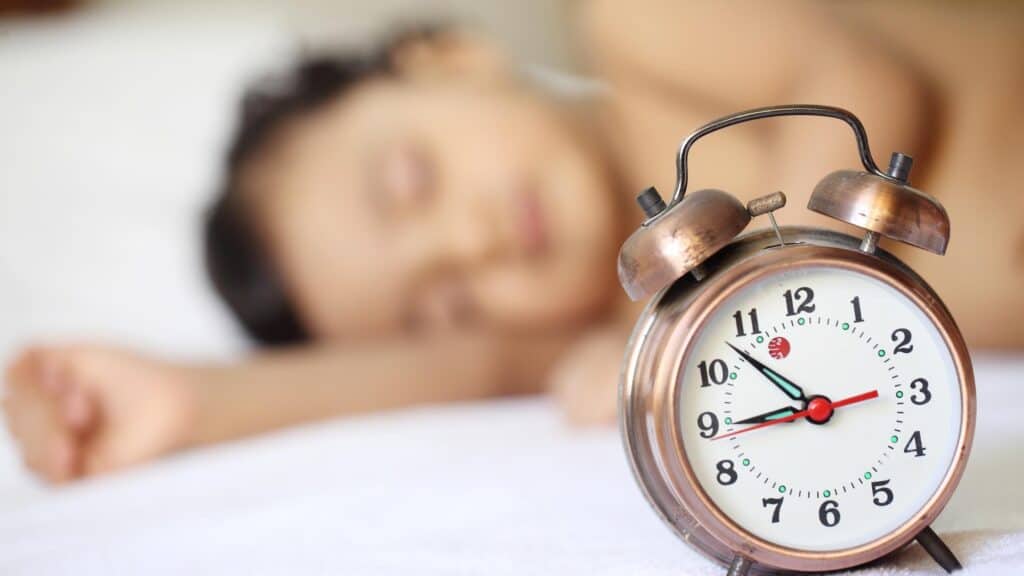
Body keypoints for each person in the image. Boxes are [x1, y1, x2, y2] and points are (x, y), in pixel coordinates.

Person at [5, 1, 1023, 483]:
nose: (471, 246)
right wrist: (190, 405)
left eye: (412, 183)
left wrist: (714, 299)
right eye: (442, 296)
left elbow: (864, 91)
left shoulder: (640, 26)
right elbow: (476, 368)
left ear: (446, 58)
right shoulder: (644, 323)